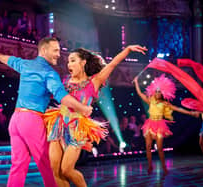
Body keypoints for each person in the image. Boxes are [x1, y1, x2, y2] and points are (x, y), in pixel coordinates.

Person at [0, 37, 92, 187]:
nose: (58, 54)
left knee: (18, 166)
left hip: (15, 120)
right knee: (48, 165)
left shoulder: (26, 64)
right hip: (31, 121)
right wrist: (83, 108)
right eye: (55, 50)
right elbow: (62, 96)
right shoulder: (49, 72)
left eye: (59, 51)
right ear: (43, 50)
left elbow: (10, 60)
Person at [44, 45, 147, 187]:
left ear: (83, 62)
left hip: (77, 127)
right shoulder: (66, 80)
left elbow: (113, 64)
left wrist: (128, 50)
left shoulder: (94, 81)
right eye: (68, 61)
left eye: (73, 60)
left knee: (66, 170)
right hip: (58, 124)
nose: (69, 64)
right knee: (54, 170)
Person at [133, 74, 199, 175]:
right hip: (150, 124)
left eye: (159, 92)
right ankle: (150, 166)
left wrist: (191, 113)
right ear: (154, 92)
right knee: (148, 146)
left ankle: (164, 167)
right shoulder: (150, 100)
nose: (157, 93)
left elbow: (178, 109)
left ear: (162, 93)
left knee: (159, 148)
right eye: (156, 91)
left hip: (159, 125)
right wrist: (136, 82)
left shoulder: (165, 104)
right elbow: (139, 93)